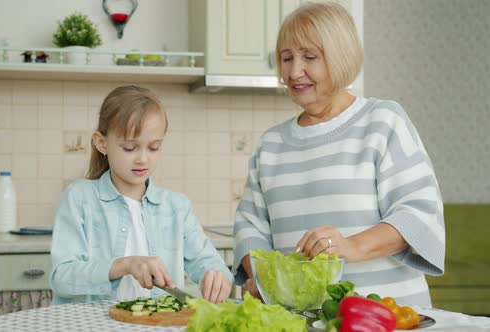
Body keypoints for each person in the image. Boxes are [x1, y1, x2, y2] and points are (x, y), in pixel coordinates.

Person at [233, 2, 444, 307]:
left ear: (340, 56)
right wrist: (265, 279)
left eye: (310, 57)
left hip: (386, 316)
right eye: (286, 58)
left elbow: (417, 215)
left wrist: (349, 246)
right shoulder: (271, 144)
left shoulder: (383, 121)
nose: (294, 72)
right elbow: (249, 227)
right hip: (302, 321)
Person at [51, 85, 233, 304]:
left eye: (154, 148)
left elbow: (209, 262)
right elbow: (62, 277)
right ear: (102, 143)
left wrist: (216, 275)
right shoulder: (79, 198)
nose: (143, 159)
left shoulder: (176, 207)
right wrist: (125, 265)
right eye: (130, 148)